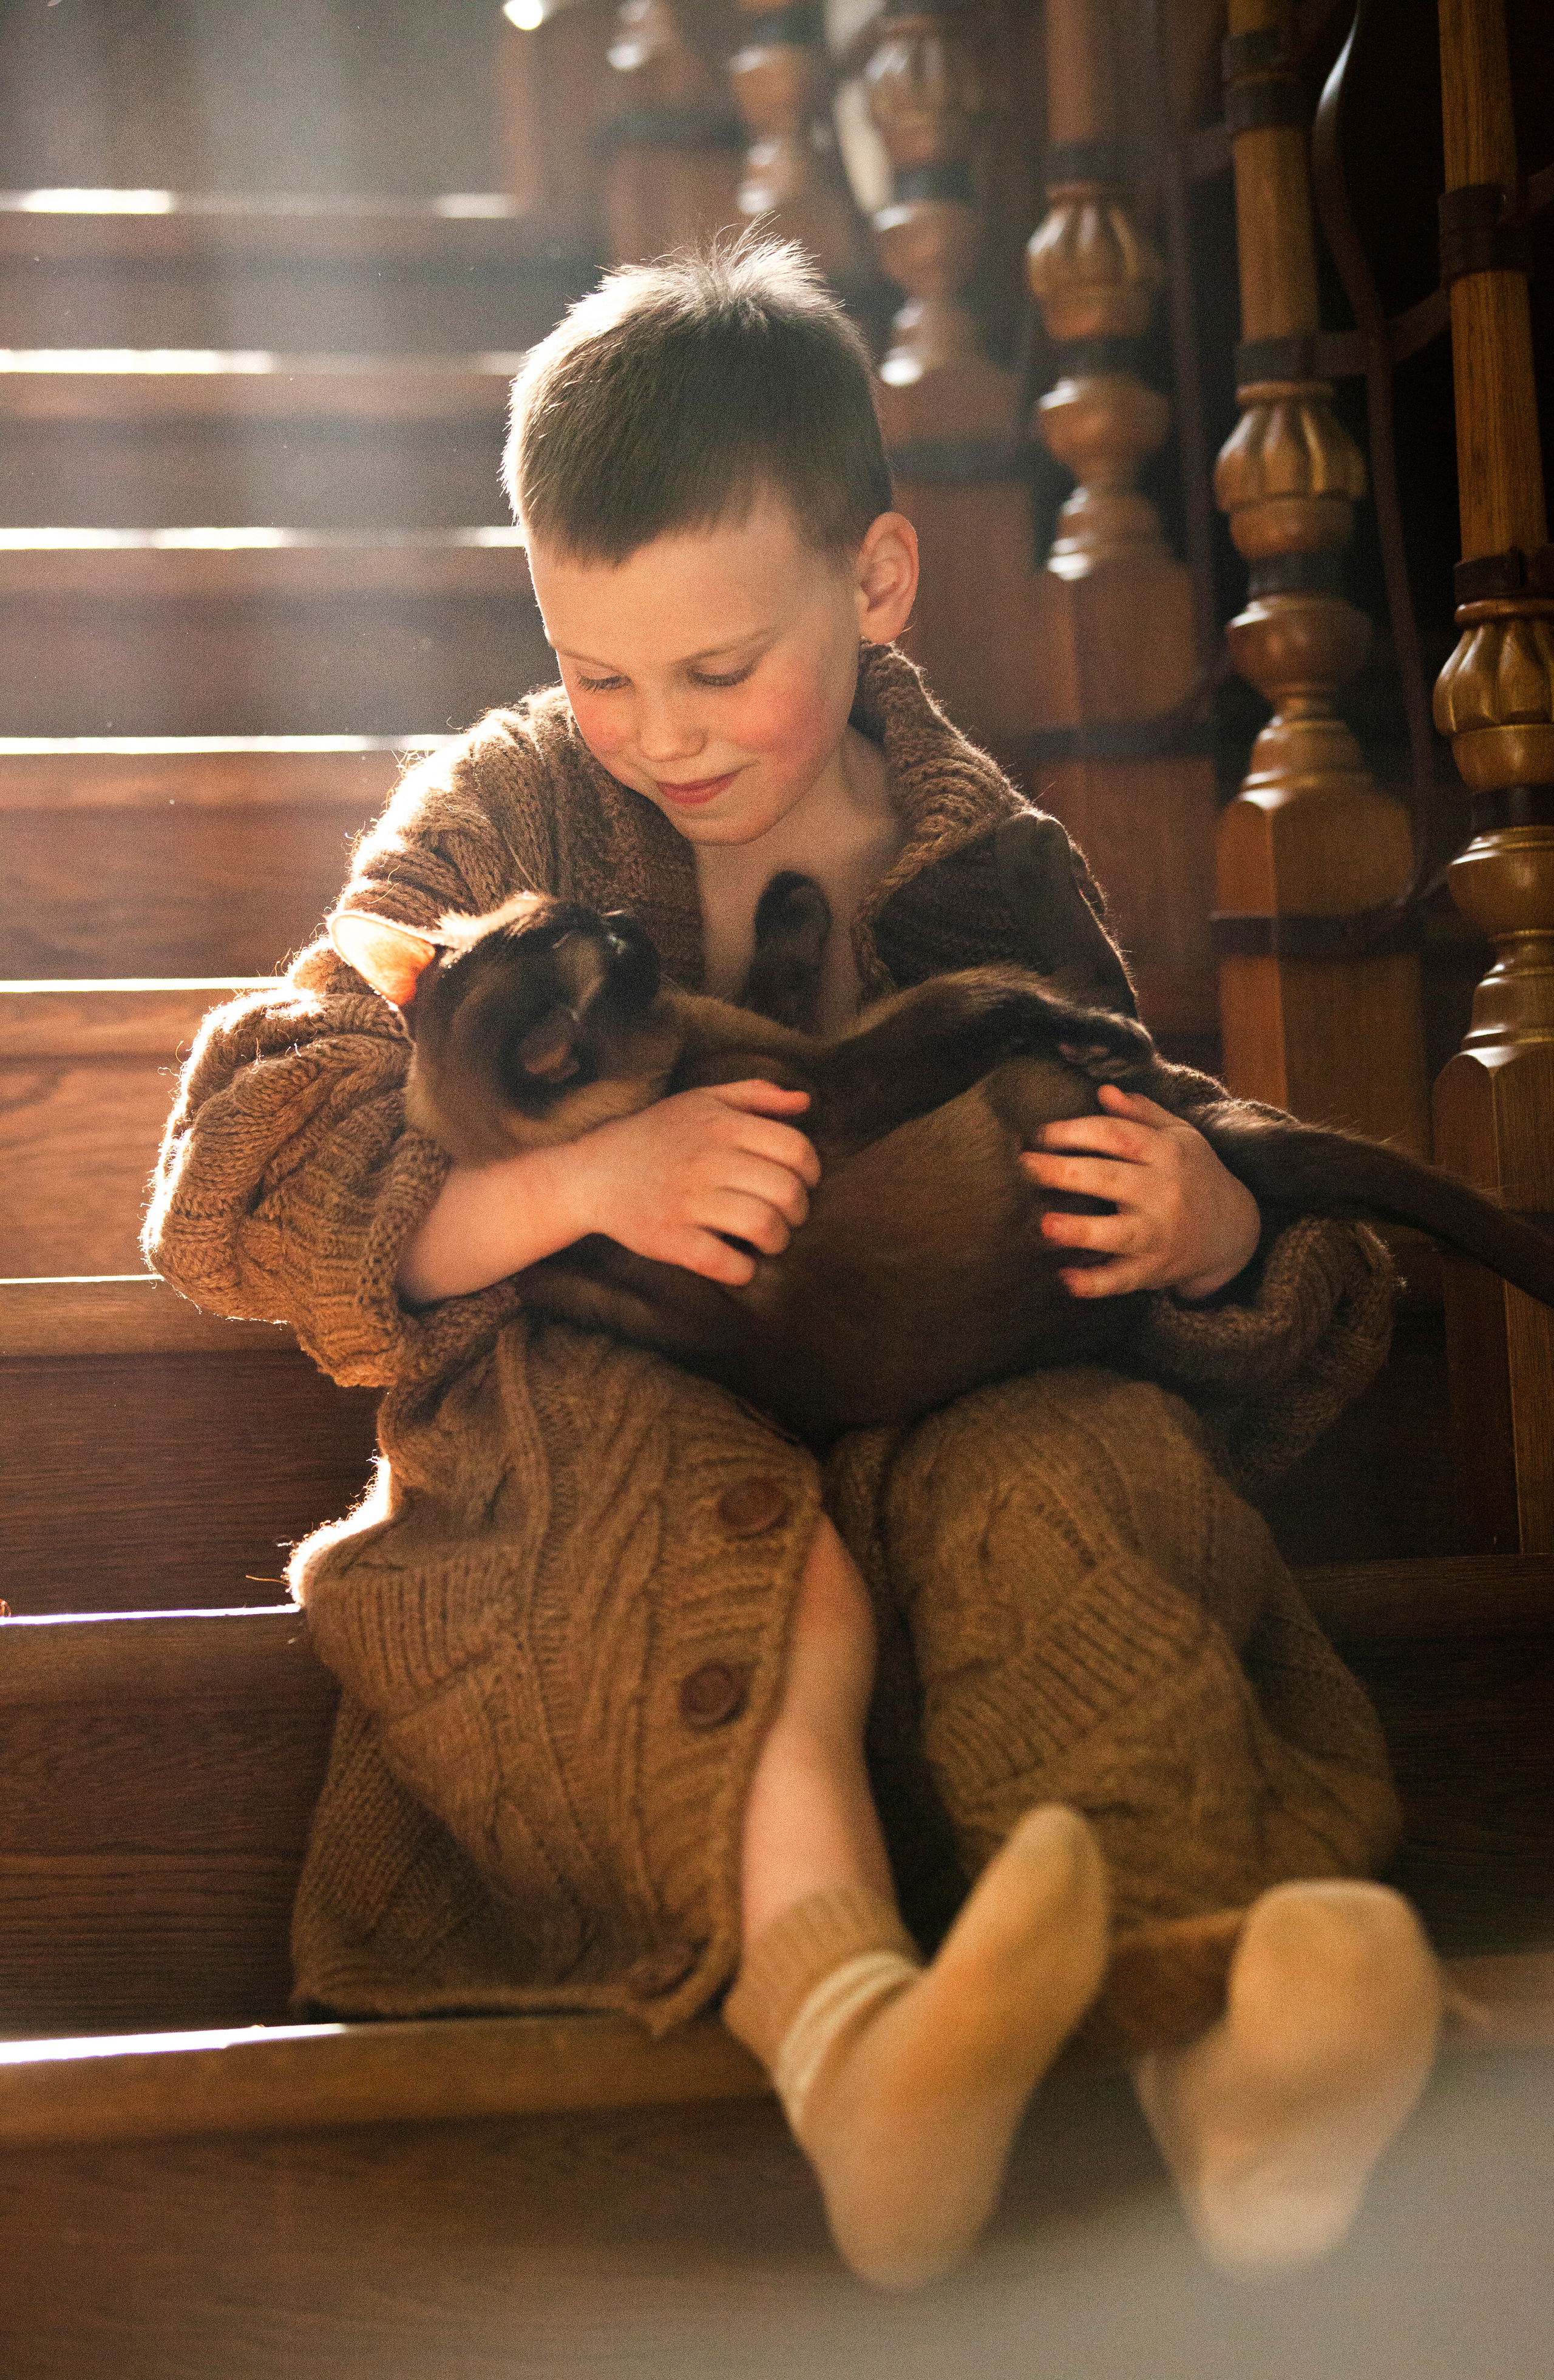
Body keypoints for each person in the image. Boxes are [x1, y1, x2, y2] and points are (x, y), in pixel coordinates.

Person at [145, 232, 1441, 2291]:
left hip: (951, 1441)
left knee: (1075, 1480)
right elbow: (247, 1154)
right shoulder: (505, 808)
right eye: (597, 669)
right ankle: (854, 2054)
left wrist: (1204, 1227)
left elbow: (1163, 1147)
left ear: (881, 583)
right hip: (599, 1481)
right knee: (695, 1507)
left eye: (718, 667)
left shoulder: (986, 850)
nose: (656, 732)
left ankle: (1230, 2045)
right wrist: (584, 1181)